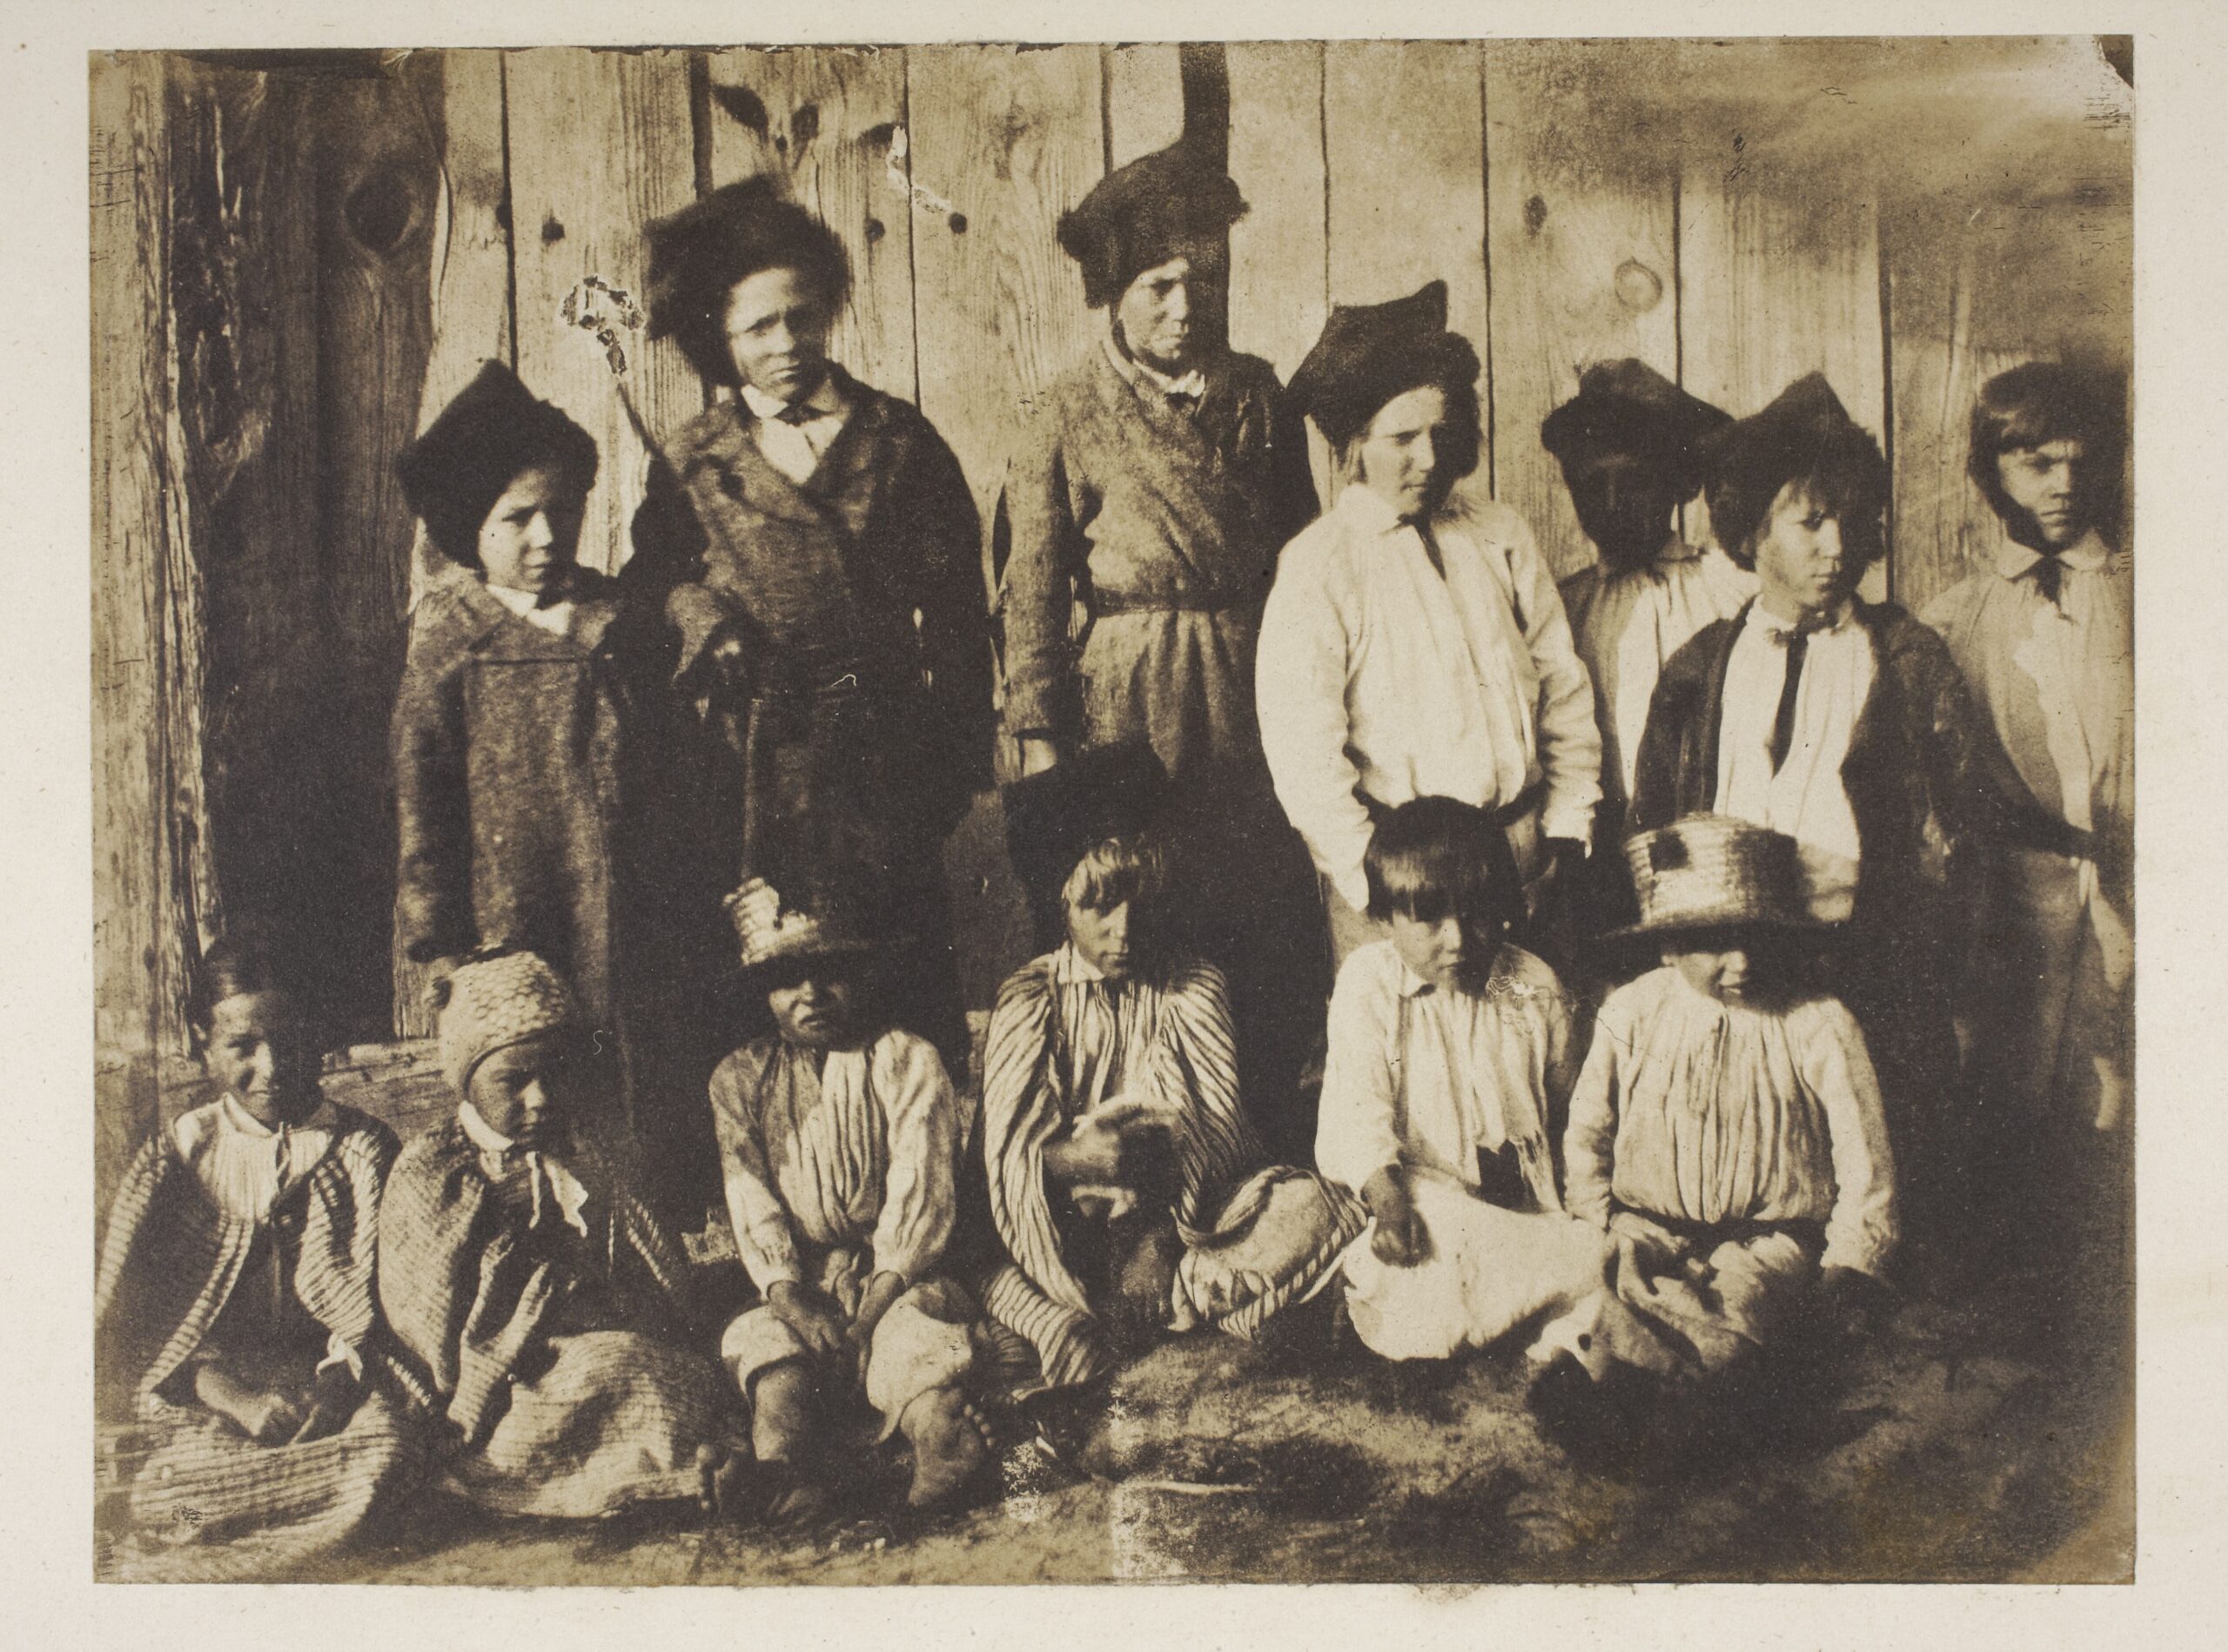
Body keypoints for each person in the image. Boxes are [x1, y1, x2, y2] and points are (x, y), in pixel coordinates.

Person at [994, 138, 1325, 1158]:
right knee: (1140, 909)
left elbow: (1303, 557)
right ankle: (1141, 1154)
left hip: (1249, 684)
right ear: (1114, 292)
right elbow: (1031, 595)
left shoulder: (1259, 395)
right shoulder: (1063, 409)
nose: (1185, 308)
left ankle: (1256, 1141)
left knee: (1255, 912)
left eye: (1203, 282)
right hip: (1128, 698)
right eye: (1158, 286)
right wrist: (1043, 750)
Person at [630, 177, 990, 1090]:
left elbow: (957, 616)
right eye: (758, 328)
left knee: (895, 980)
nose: (785, 344)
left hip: (877, 757)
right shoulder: (693, 459)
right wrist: (701, 615)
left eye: (801, 318)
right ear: (720, 337)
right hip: (751, 767)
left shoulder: (900, 441)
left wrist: (946, 766)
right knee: (768, 987)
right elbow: (651, 588)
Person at [1627, 373, 1983, 1241]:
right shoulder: (1701, 666)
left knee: (1879, 1169)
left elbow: (1956, 830)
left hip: (1863, 960)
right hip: (1737, 960)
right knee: (1755, 1172)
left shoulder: (1904, 657)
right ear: (1752, 530)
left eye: (1852, 521)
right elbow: (1656, 819)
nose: (1837, 546)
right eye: (1811, 522)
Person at [978, 742, 1365, 1393]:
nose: (1124, 928)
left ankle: (1169, 1295)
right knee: (990, 1275)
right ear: (1062, 904)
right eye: (1099, 907)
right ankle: (1116, 1311)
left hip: (1186, 1221)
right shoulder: (1031, 998)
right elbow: (1008, 1156)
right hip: (1062, 1231)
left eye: (1140, 901)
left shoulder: (1191, 984)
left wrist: (1157, 1238)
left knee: (1312, 1203)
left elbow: (1213, 1130)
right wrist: (1076, 1159)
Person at [1528, 815, 1897, 1466]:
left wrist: (1850, 1258)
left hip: (1769, 1237)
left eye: (1757, 939)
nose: (1742, 962)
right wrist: (1597, 1217)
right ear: (1668, 947)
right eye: (1714, 944)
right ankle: (1608, 1391)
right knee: (1617, 1297)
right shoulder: (1632, 1011)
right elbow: (1588, 1128)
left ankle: (1698, 1412)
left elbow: (1864, 1156)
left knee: (1738, 1315)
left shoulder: (1817, 1023)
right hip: (1645, 1223)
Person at [1258, 280, 1601, 968]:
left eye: (1442, 434)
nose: (1429, 458)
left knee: (1526, 1022)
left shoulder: (1499, 533)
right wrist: (1374, 885)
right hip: (1406, 888)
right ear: (1356, 443)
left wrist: (1566, 824)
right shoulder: (1320, 564)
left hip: (1523, 860)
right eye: (1402, 438)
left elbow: (1561, 684)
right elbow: (1304, 756)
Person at [393, 360, 663, 1165]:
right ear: (469, 526)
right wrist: (442, 948)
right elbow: (423, 811)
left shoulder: (619, 620)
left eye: (563, 510)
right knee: (542, 1096)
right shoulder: (451, 646)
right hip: (515, 923)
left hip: (633, 917)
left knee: (638, 1093)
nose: (547, 536)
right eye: (518, 518)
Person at [95, 931, 426, 1580]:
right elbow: (148, 1326)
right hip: (213, 1392)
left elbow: (393, 1300)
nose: (272, 1067)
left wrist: (336, 1388)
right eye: (243, 1046)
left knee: (386, 1451)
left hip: (334, 1383)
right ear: (204, 1044)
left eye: (293, 1043)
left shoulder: (363, 1149)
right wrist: (238, 1400)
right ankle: (220, 1517)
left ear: (322, 1039)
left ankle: (281, 1511)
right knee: (175, 1483)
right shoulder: (182, 1156)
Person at [378, 951, 752, 1522]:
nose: (540, 1098)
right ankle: (669, 1477)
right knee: (595, 1387)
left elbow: (647, 1261)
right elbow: (427, 1315)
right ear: (467, 1082)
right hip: (503, 1375)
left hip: (611, 1338)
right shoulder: (436, 1169)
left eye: (554, 1074)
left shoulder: (590, 1150)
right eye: (513, 1081)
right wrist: (520, 1337)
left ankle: (696, 1468)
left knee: (670, 1373)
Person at [709, 872, 1001, 1521]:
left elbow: (920, 1191)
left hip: (898, 1273)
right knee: (769, 1353)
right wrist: (792, 1300)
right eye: (788, 979)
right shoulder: (740, 1078)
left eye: (830, 973)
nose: (811, 994)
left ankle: (938, 1439)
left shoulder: (906, 1058)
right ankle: (782, 1468)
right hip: (801, 1282)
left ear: (862, 974)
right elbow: (751, 1198)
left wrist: (868, 1317)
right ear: (763, 990)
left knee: (910, 1342)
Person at [1314, 797, 1607, 1363]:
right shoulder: (1369, 985)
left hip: (1524, 1206)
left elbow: (1568, 1106)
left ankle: (1531, 1306)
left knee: (1586, 1249)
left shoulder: (1529, 983)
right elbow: (1357, 1112)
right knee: (1436, 1249)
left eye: (1476, 915)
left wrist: (1579, 1203)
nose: (1457, 940)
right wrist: (1391, 1207)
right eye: (1429, 919)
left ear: (1504, 909)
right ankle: (1533, 1308)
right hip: (1424, 1198)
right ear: (1385, 920)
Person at [1923, 363, 2131, 1140]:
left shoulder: (2146, 594)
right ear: (1991, 471)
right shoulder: (1955, 619)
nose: (2064, 484)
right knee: (2013, 1113)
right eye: (2038, 463)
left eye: (2081, 462)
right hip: (2014, 907)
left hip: (2136, 893)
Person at [1544, 359, 1747, 838]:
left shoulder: (1731, 589)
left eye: (1635, 482)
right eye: (1592, 486)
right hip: (1603, 843)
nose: (1613, 504)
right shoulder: (1562, 610)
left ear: (1678, 483)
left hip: (1717, 841)